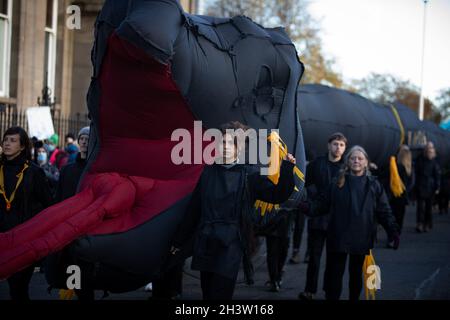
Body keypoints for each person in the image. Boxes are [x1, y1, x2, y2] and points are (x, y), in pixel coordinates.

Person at [169, 121, 296, 300]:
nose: (226, 147)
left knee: (220, 295)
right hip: (206, 240)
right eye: (223, 142)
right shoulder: (207, 173)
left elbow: (277, 195)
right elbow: (194, 210)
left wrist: (287, 169)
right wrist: (178, 241)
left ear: (240, 147)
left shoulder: (250, 176)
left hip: (231, 244)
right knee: (207, 293)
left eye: (232, 143)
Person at [303, 145, 399, 301]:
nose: (356, 161)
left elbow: (384, 211)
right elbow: (320, 205)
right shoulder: (336, 183)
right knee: (334, 276)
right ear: (347, 162)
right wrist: (305, 206)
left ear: (366, 162)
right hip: (338, 236)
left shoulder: (373, 185)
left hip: (361, 237)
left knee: (356, 276)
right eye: (353, 158)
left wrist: (393, 231)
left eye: (360, 158)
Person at [0, 126, 53, 300]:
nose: (7, 144)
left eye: (13, 140)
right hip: (1, 236)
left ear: (22, 146)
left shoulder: (34, 172)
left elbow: (48, 204)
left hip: (24, 238)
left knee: (18, 288)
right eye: (6, 140)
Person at [298, 132, 347, 301]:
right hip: (318, 219)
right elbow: (304, 182)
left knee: (334, 259)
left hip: (337, 220)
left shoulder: (347, 168)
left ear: (345, 148)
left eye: (341, 145)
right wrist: (310, 199)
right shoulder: (318, 163)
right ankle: (310, 290)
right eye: (335, 144)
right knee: (314, 257)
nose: (337, 147)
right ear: (328, 145)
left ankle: (329, 290)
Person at [384, 145, 415, 246]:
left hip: (392, 197)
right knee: (399, 218)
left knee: (391, 218)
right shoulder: (409, 168)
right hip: (402, 197)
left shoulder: (394, 166)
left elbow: (385, 178)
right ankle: (396, 236)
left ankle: (391, 237)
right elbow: (411, 183)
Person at [55, 127, 89, 202]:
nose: (84, 142)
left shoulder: (94, 170)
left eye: (87, 139)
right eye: (82, 139)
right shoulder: (66, 169)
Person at [415, 141, 441, 233]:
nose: (429, 149)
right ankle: (420, 224)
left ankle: (427, 224)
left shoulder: (435, 161)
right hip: (421, 186)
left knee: (428, 208)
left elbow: (437, 174)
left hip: (430, 187)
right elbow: (416, 173)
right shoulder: (420, 159)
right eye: (428, 148)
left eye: (431, 148)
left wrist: (437, 186)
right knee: (420, 207)